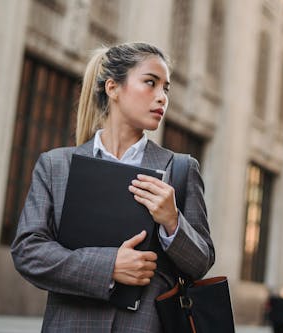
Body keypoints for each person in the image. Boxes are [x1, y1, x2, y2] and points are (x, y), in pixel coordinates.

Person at [11, 42, 215, 332]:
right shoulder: (57, 165)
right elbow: (28, 252)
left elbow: (201, 264)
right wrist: (109, 266)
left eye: (166, 89)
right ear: (113, 88)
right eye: (150, 83)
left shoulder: (180, 169)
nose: (162, 98)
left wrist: (173, 222)